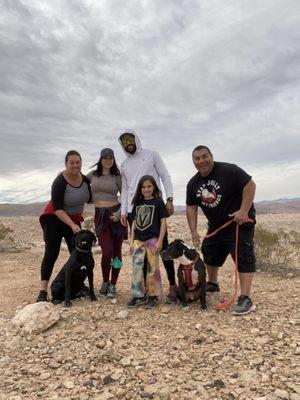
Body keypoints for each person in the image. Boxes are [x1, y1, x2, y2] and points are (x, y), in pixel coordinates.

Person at [186, 145, 256, 315]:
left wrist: (243, 210)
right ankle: (213, 283)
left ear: (211, 156)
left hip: (239, 223)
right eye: (197, 158)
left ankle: (246, 298)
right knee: (209, 250)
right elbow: (191, 207)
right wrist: (194, 231)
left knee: (243, 255)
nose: (201, 161)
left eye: (205, 156)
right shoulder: (193, 183)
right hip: (216, 225)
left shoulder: (229, 170)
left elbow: (250, 185)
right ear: (193, 161)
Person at [118, 129, 177, 304]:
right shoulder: (124, 164)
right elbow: (125, 189)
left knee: (162, 249)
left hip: (155, 207)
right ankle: (142, 292)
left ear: (136, 139)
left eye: (130, 139)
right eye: (124, 141)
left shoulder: (152, 155)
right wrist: (123, 212)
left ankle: (172, 286)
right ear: (122, 144)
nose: (128, 143)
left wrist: (170, 198)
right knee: (140, 255)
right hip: (134, 209)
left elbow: (165, 175)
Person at [37, 150, 91, 302]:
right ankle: (43, 291)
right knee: (51, 253)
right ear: (66, 164)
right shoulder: (59, 181)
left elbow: (92, 198)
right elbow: (57, 208)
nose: (75, 165)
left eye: (78, 162)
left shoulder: (86, 180)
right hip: (54, 218)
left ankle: (79, 284)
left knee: (79, 253)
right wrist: (73, 226)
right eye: (71, 162)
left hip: (73, 218)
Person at [86, 148, 125, 298]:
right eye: (105, 157)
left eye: (111, 158)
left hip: (115, 214)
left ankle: (113, 284)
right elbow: (78, 180)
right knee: (107, 251)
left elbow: (126, 195)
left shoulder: (117, 176)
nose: (108, 160)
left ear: (114, 159)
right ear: (100, 159)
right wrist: (62, 176)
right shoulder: (93, 175)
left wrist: (120, 212)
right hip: (100, 215)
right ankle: (105, 281)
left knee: (117, 252)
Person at [128, 175, 168, 309]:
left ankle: (153, 296)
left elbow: (163, 222)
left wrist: (160, 241)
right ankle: (138, 295)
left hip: (153, 239)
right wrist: (131, 239)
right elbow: (133, 222)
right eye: (143, 187)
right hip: (138, 240)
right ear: (140, 188)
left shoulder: (158, 202)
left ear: (154, 187)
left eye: (149, 186)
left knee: (152, 268)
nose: (146, 189)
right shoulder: (138, 203)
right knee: (137, 267)